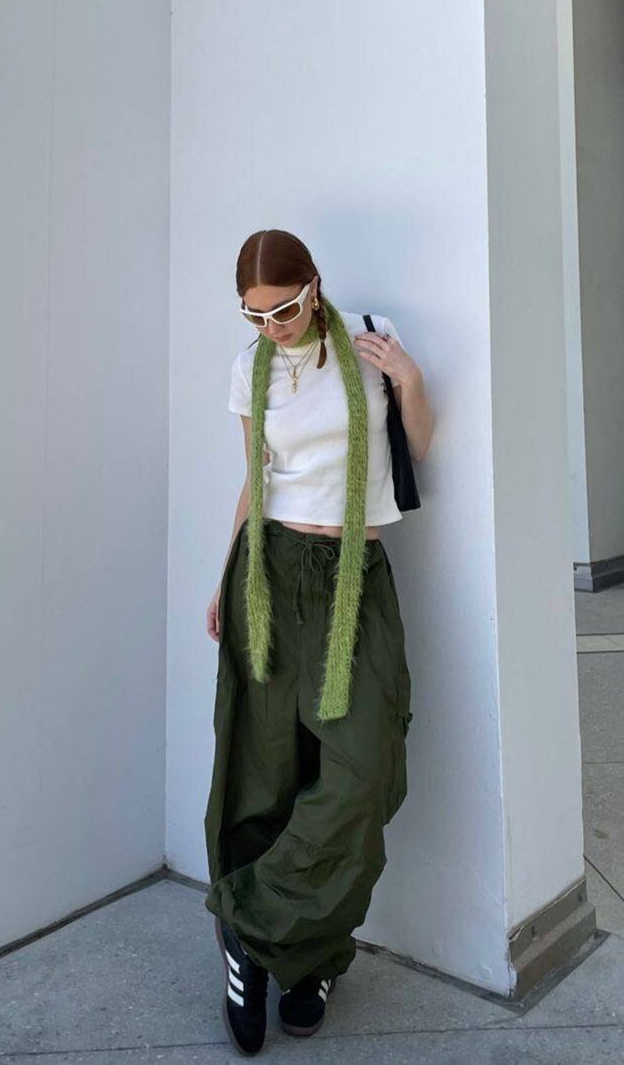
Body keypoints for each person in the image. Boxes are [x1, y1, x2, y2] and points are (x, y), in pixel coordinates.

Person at [204, 228, 434, 1056]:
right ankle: (305, 961)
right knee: (264, 770)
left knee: (363, 772)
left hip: (354, 576)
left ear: (314, 286)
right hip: (268, 572)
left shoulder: (371, 341)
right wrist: (223, 580)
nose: (273, 327)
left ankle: (251, 924)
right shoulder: (251, 368)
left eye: (285, 309)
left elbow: (416, 449)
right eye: (255, 316)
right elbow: (255, 479)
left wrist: (408, 379)